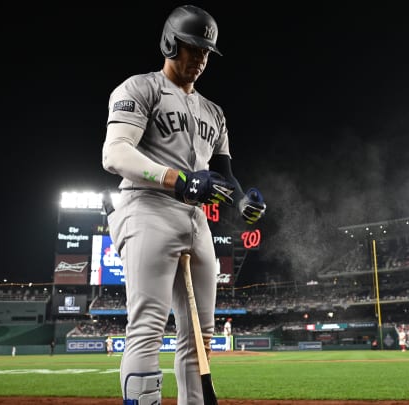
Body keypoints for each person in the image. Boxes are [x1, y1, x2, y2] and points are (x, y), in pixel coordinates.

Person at [101, 5, 266, 404]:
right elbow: (115, 154)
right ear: (169, 42)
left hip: (195, 220)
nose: (200, 59)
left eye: (206, 52)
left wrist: (243, 200)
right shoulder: (139, 88)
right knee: (148, 327)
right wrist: (178, 179)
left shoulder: (214, 111)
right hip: (147, 207)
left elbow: (223, 174)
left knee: (200, 334)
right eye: (192, 48)